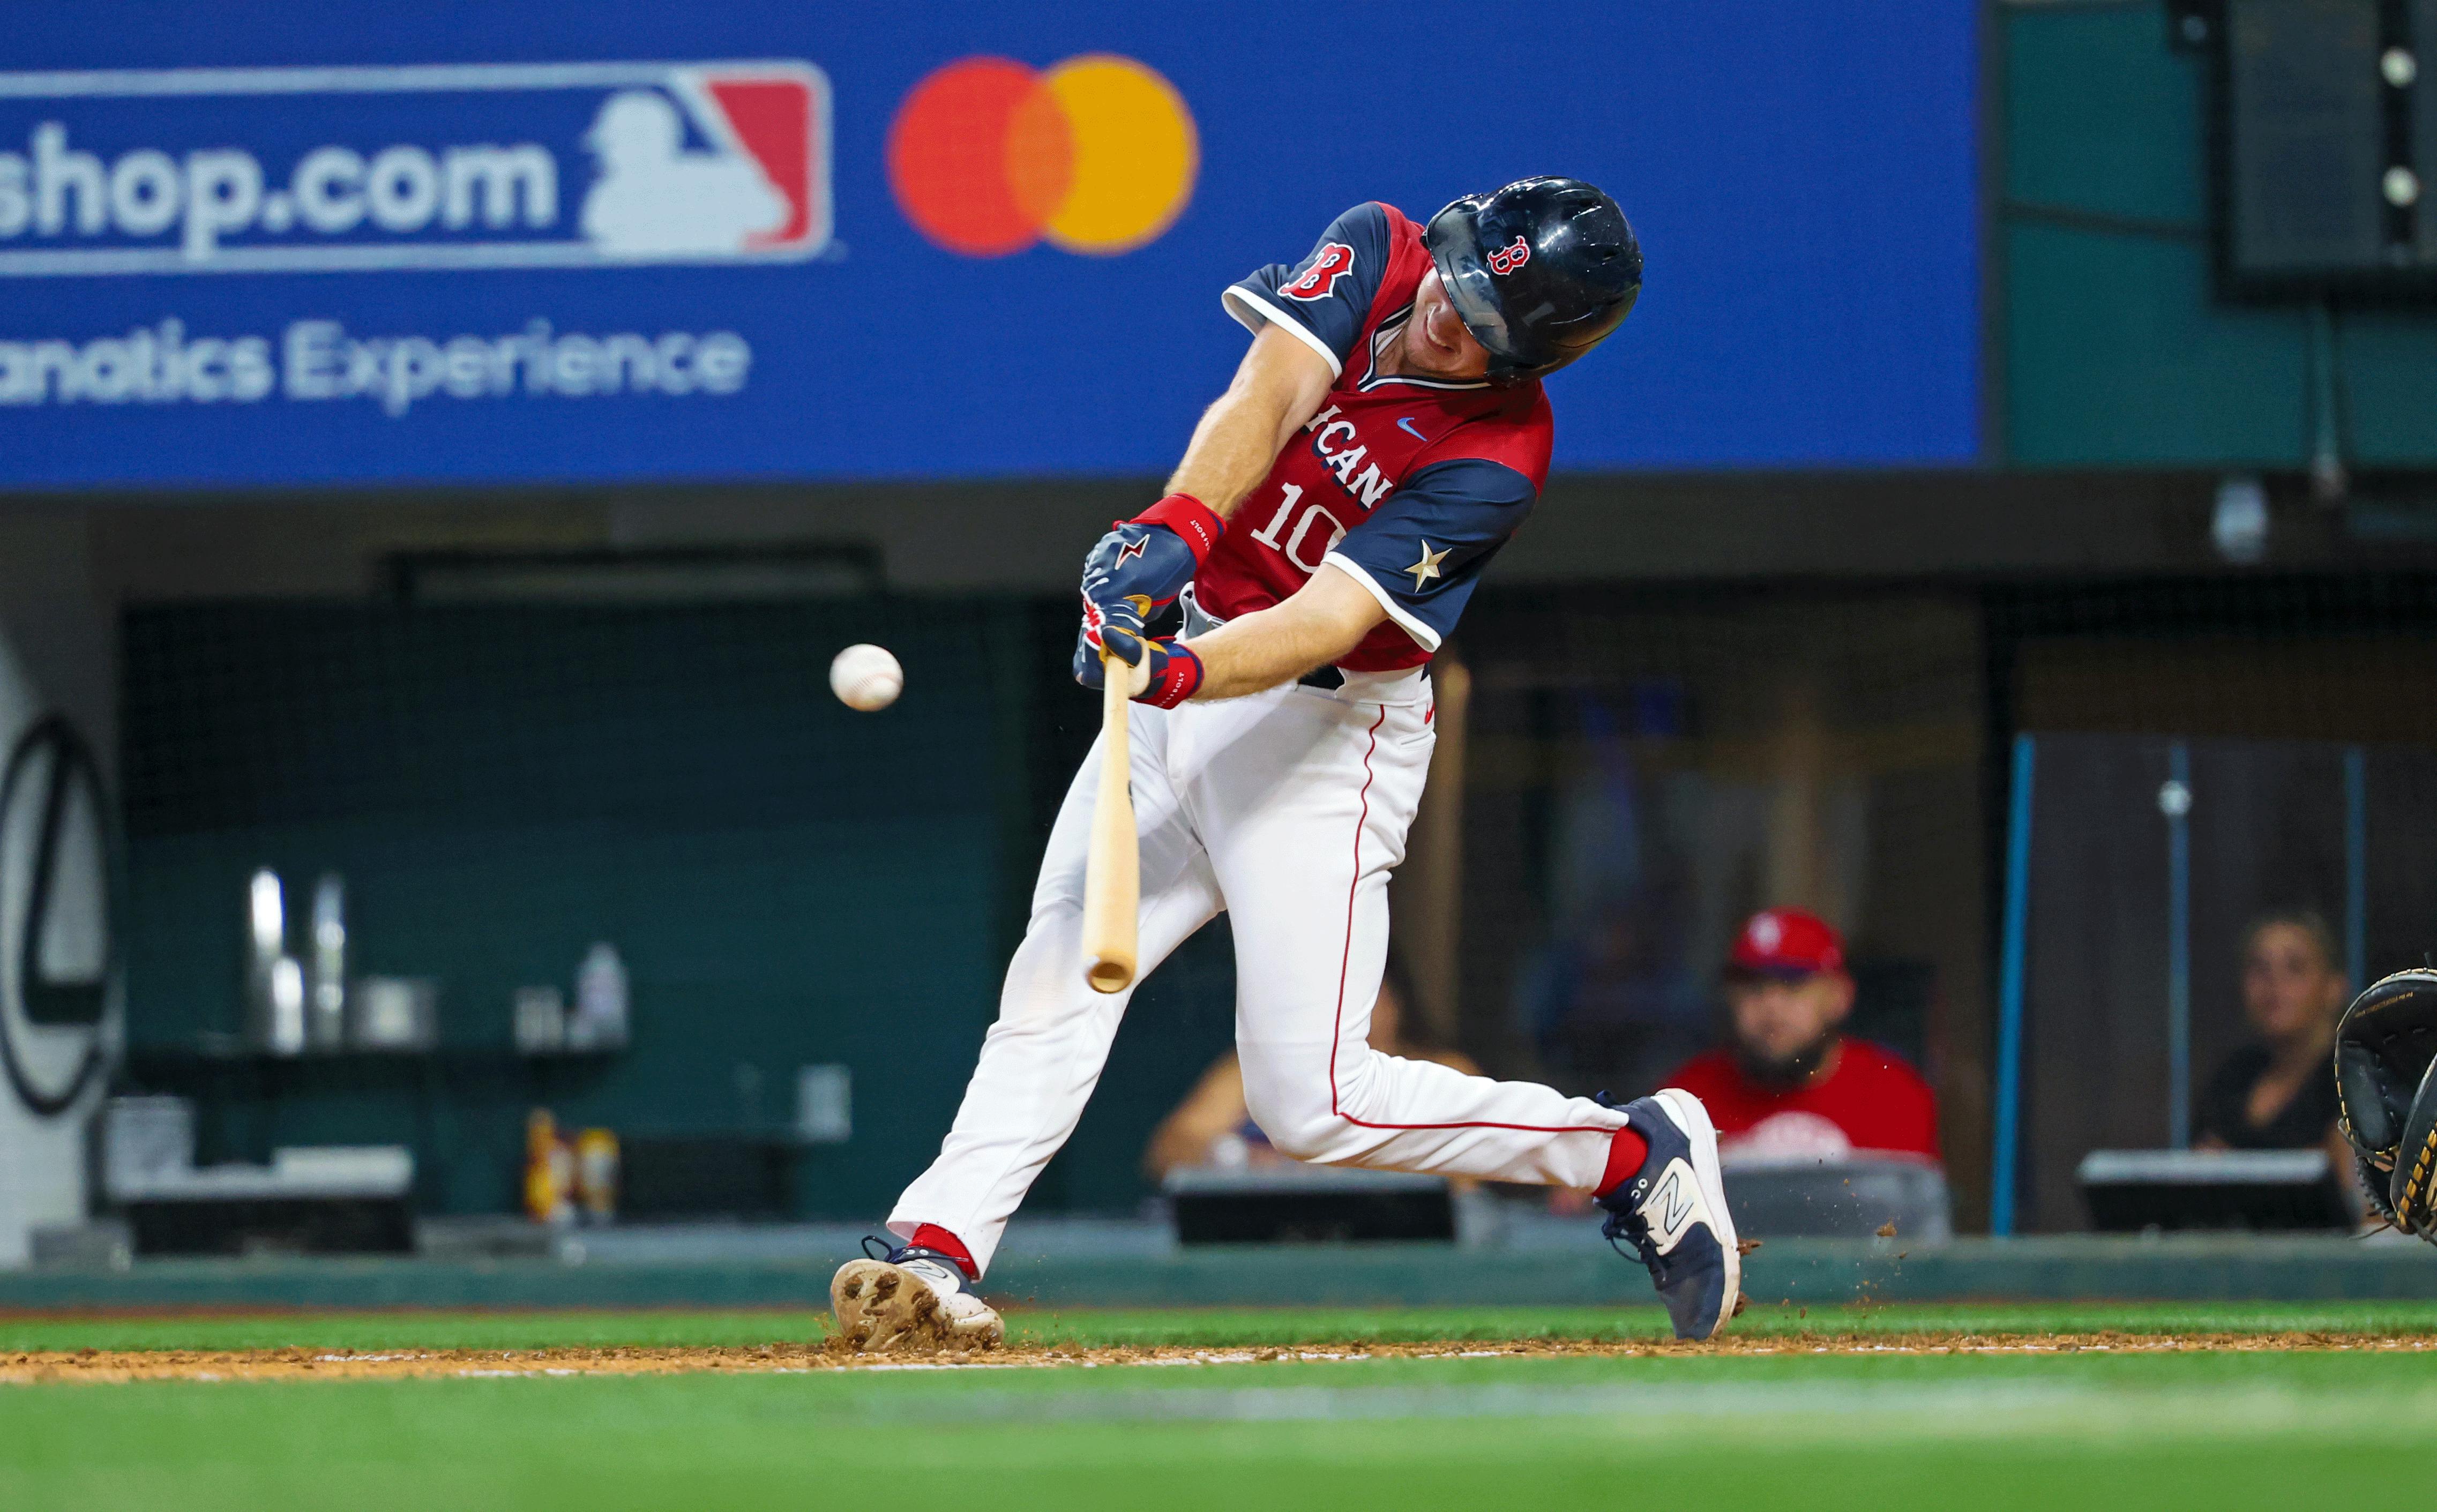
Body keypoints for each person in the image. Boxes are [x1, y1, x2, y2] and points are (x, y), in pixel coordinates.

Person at [829, 178, 1743, 1352]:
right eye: (1455, 278)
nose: (1446, 316)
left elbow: (1324, 618)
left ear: (1536, 358)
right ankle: (936, 1248)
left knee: (1314, 1103)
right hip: (1194, 664)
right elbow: (1264, 396)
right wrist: (1175, 535)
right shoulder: (1378, 246)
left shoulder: (1498, 462)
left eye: (1482, 321)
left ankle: (1628, 1149)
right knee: (1057, 969)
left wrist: (1175, 672)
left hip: (1320, 738)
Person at [1143, 963, 1482, 1181]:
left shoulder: (1443, 1070)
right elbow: (1170, 1149)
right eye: (1333, 998)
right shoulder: (1260, 1069)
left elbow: (1468, 1173)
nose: (1348, 1015)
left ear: (1396, 1003)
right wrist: (1239, 1160)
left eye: (1365, 996)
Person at [1662, 908, 1940, 1164]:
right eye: (1752, 986)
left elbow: (1908, 1213)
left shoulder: (1893, 1094)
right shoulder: (1684, 1101)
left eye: (1793, 985)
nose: (1771, 1006)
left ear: (1840, 996)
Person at [2195, 911, 2348, 1154]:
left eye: (2295, 968)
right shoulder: (2231, 1079)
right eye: (2260, 968)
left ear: (2335, 987)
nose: (2274, 982)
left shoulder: (2356, 1083)